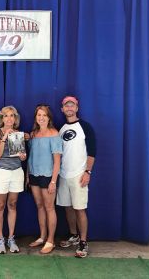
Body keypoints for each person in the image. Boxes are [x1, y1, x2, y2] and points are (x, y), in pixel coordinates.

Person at [56, 95, 96, 258]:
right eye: (67, 105)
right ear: (62, 109)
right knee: (67, 207)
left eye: (72, 105)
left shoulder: (85, 127)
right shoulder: (60, 129)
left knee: (80, 208)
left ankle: (83, 242)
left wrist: (88, 172)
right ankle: (74, 235)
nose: (69, 108)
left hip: (79, 175)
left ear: (77, 108)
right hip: (64, 175)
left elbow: (92, 152)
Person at [27, 105, 62, 254]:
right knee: (39, 206)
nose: (41, 117)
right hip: (34, 175)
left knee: (49, 207)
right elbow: (30, 156)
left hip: (48, 176)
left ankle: (50, 240)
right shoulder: (33, 134)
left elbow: (57, 161)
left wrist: (53, 181)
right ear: (36, 117)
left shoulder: (54, 134)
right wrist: (28, 175)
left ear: (49, 118)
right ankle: (42, 236)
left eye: (44, 115)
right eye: (39, 115)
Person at [0, 106, 26, 254]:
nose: (9, 118)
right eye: (6, 116)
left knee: (12, 204)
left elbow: (22, 155)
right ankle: (0, 238)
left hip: (16, 172)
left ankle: (11, 238)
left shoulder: (18, 134)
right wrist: (4, 138)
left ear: (15, 118)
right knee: (0, 205)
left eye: (12, 116)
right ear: (2, 118)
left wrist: (22, 156)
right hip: (1, 172)